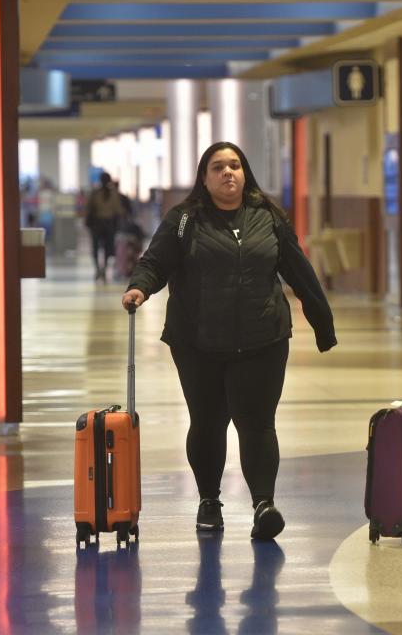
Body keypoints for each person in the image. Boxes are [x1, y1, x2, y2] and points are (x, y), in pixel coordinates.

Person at [122, 142, 336, 540]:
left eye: (235, 165)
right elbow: (156, 261)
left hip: (262, 339)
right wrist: (140, 288)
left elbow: (298, 269)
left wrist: (323, 322)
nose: (228, 173)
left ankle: (263, 504)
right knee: (207, 424)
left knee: (257, 425)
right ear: (204, 177)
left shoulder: (268, 217)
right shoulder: (184, 219)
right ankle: (209, 500)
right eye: (218, 167)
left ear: (245, 172)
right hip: (197, 342)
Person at [85, 172, 122, 282]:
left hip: (96, 223)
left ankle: (97, 269)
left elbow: (88, 207)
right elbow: (117, 209)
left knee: (95, 247)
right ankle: (104, 269)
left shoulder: (95, 193)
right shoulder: (114, 194)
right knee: (107, 248)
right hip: (109, 223)